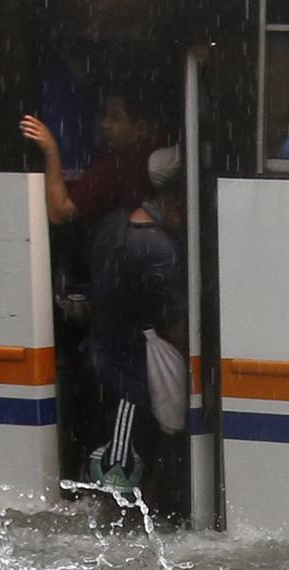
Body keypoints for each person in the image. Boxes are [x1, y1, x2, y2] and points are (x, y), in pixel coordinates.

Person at [82, 146, 187, 496]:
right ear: (178, 204)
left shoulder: (114, 224)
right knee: (121, 479)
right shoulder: (159, 250)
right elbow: (177, 327)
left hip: (102, 358)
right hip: (133, 380)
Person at [20, 90, 160, 226]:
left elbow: (59, 213)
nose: (105, 125)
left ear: (141, 127)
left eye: (115, 118)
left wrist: (50, 148)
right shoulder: (156, 154)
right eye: (104, 116)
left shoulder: (117, 165)